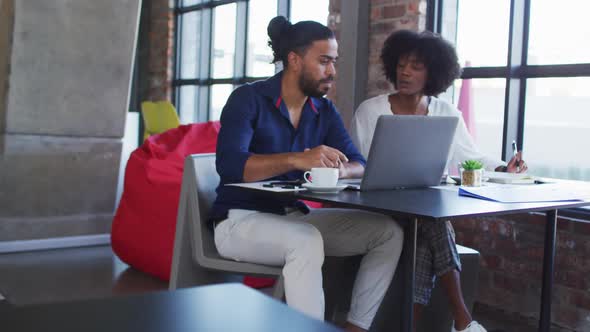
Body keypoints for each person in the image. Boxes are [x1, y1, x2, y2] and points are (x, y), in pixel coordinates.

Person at [209, 16, 404, 332]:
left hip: (294, 219)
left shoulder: (323, 110)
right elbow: (231, 166)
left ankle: (356, 327)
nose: (333, 71)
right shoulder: (248, 99)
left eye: (334, 62)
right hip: (239, 220)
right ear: (295, 60)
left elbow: (359, 163)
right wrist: (299, 159)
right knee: (306, 240)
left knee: (388, 232)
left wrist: (337, 169)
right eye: (324, 61)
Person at [351, 30, 527, 332]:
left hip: (422, 211)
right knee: (434, 222)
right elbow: (356, 166)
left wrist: (504, 167)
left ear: (433, 72)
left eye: (416, 66)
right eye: (402, 64)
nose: (405, 72)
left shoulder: (446, 112)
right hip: (378, 207)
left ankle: (417, 325)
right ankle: (463, 319)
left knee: (428, 228)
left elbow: (471, 157)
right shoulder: (371, 111)